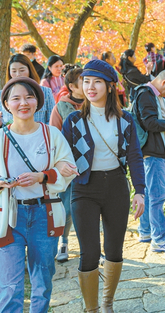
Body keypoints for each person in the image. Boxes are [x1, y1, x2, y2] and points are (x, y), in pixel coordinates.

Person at [61, 59, 145, 313]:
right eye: (86, 81)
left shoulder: (125, 119)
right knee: (89, 252)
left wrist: (140, 191)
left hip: (116, 186)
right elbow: (62, 154)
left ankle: (107, 303)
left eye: (97, 82)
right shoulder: (74, 120)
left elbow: (134, 156)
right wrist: (62, 167)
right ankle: (92, 309)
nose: (90, 87)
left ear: (109, 87)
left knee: (114, 250)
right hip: (85, 188)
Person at [0, 77, 77, 313]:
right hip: (9, 217)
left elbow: (70, 170)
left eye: (29, 97)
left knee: (42, 283)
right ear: (6, 104)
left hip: (45, 213)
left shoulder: (51, 134)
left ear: (37, 102)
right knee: (10, 286)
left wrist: (43, 176)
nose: (23, 103)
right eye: (16, 98)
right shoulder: (1, 138)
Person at [134, 70, 165, 252]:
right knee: (157, 195)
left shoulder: (153, 94)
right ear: (164, 82)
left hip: (151, 150)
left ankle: (146, 231)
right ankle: (159, 238)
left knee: (146, 193)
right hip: (152, 150)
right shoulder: (146, 94)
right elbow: (150, 123)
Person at [49, 66, 84, 264]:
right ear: (71, 86)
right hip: (69, 167)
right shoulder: (60, 107)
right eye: (83, 80)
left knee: (88, 208)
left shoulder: (93, 103)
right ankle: (63, 242)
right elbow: (53, 138)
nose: (88, 84)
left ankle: (90, 246)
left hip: (92, 166)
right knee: (67, 207)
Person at [2, 54, 55, 126]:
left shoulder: (45, 92)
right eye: (14, 71)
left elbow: (52, 119)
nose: (18, 74)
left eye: (22, 70)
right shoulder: (2, 94)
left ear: (29, 70)